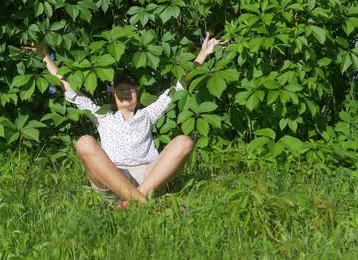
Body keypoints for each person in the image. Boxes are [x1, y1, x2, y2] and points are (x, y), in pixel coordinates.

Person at [29, 31, 227, 206]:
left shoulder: (148, 114)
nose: (125, 93)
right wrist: (44, 56)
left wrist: (202, 55)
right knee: (84, 143)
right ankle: (144, 204)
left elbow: (179, 85)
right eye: (120, 90)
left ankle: (133, 201)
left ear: (137, 94)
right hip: (113, 177)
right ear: (113, 97)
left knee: (184, 142)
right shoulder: (102, 115)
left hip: (149, 178)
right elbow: (70, 89)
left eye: (130, 90)